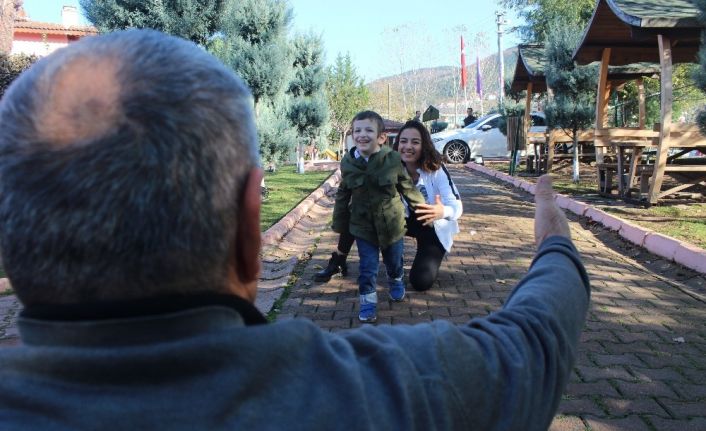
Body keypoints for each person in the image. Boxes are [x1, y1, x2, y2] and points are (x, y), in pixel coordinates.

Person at [0, 30, 591, 431]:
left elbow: (419, 198)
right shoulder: (381, 394)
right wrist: (555, 241)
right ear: (250, 223)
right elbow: (536, 340)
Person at [332, 110, 425, 323]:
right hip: (363, 226)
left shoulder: (392, 160)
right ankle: (367, 302)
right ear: (352, 135)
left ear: (381, 137)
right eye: (357, 130)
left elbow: (406, 186)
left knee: (394, 261)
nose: (362, 135)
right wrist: (339, 223)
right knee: (367, 267)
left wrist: (421, 208)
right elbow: (343, 194)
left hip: (392, 224)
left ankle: (396, 279)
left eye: (368, 130)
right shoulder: (348, 163)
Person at [394, 120, 463, 291]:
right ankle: (340, 259)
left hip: (432, 225)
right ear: (397, 144)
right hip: (404, 220)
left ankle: (427, 253)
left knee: (421, 282)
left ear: (424, 145)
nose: (408, 146)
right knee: (359, 212)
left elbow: (457, 206)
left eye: (415, 142)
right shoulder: (390, 167)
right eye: (403, 141)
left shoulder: (436, 169)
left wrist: (442, 211)